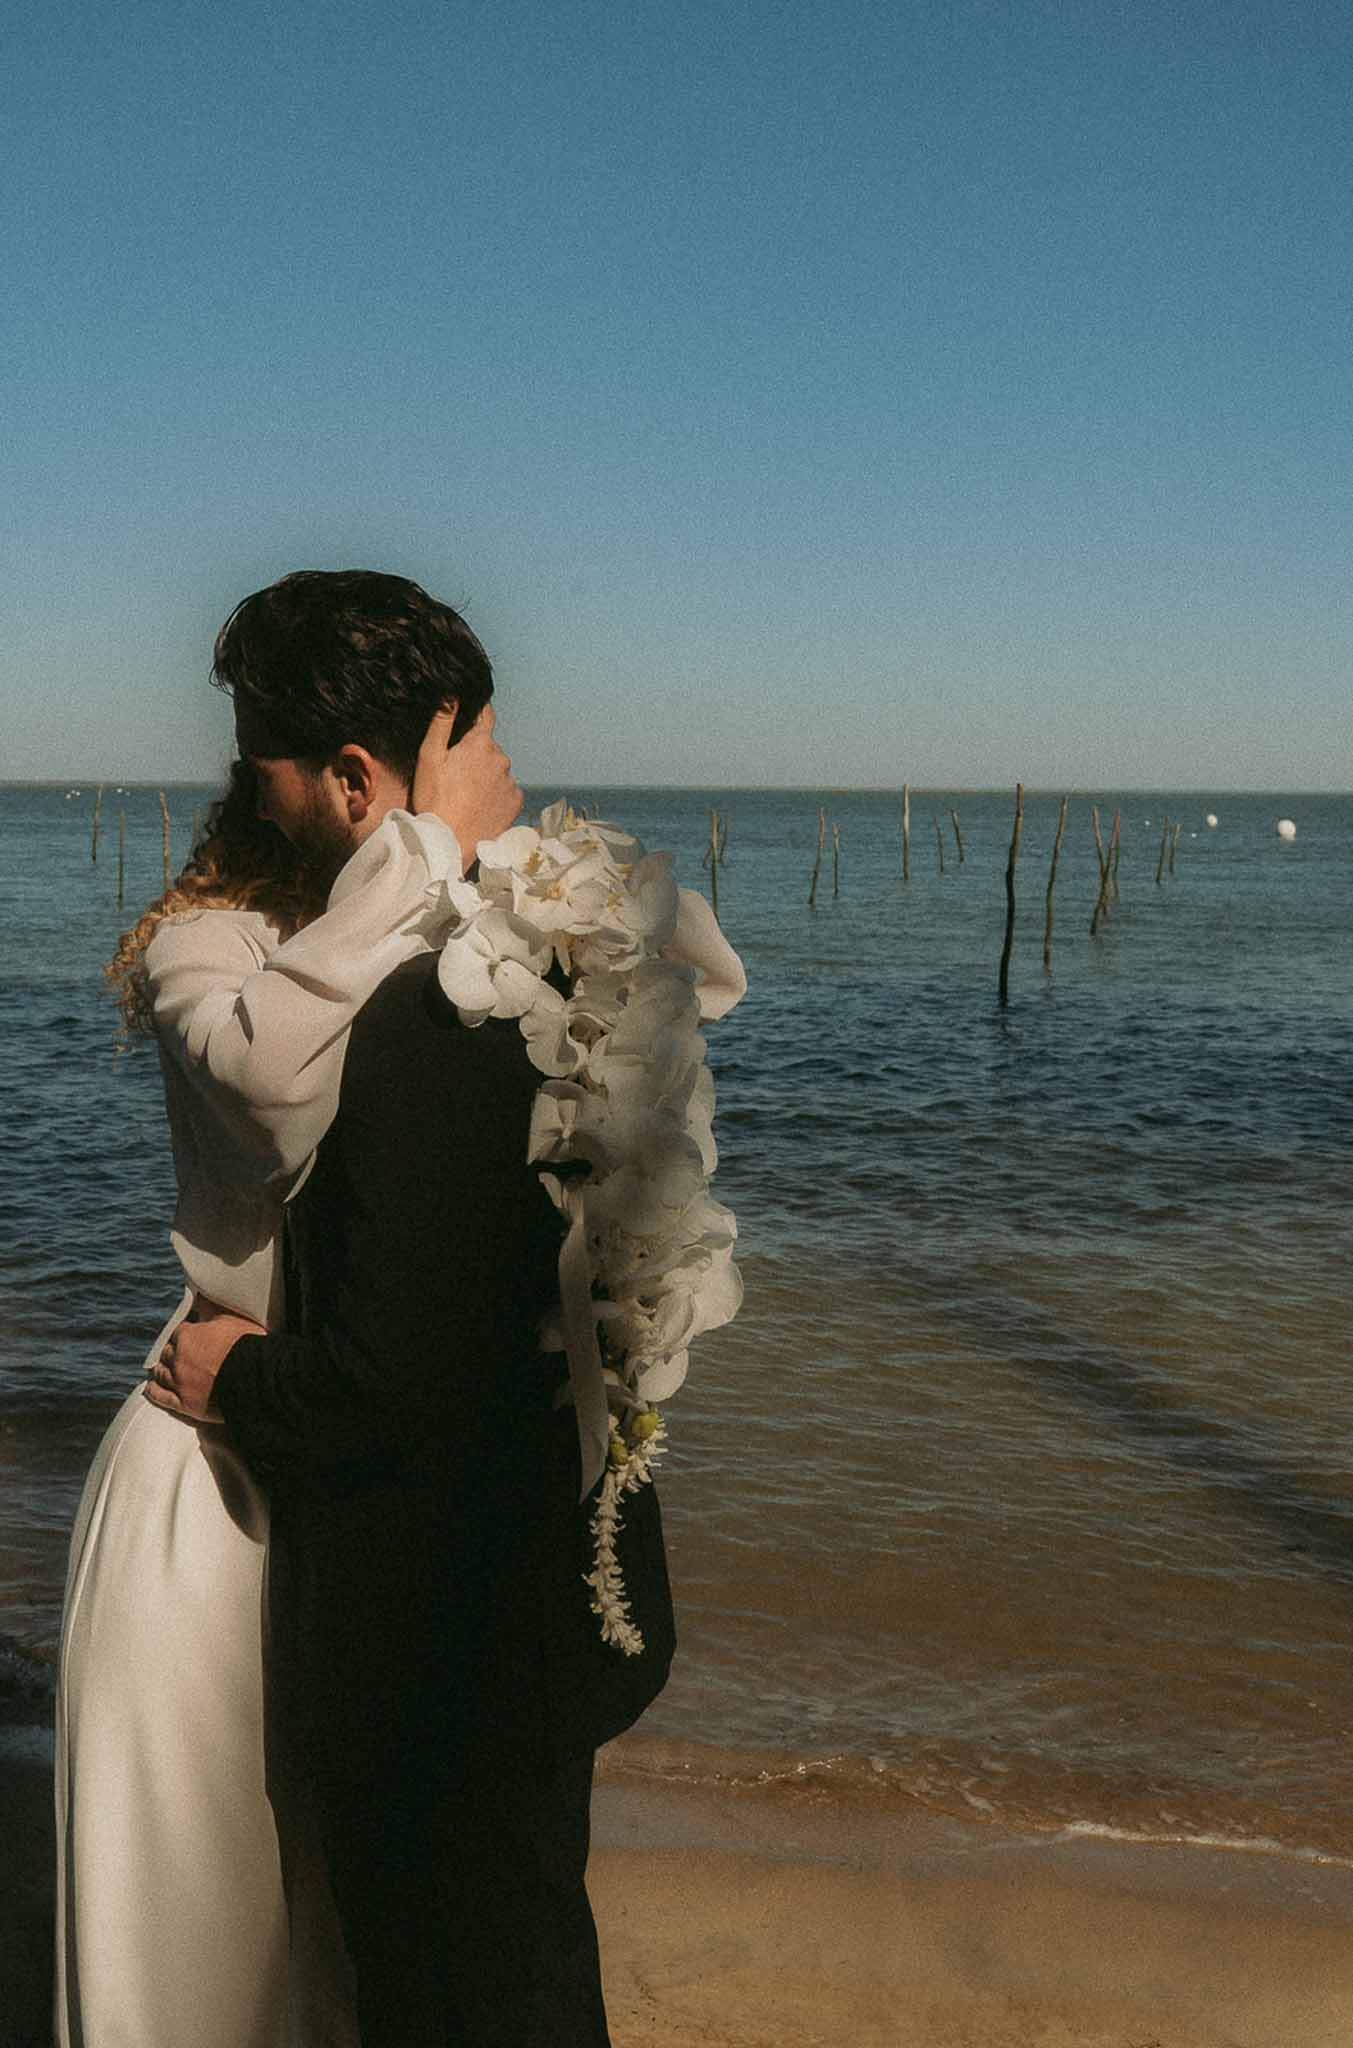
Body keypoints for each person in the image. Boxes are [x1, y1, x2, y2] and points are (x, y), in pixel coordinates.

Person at [106, 570, 746, 2046]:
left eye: (258, 759)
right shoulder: (574, 955)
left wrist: (234, 1382)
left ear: (343, 778)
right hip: (548, 1575)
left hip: (432, 1626)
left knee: (447, 1983)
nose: (236, 789)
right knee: (521, 1957)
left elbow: (388, 1381)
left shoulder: (422, 1013)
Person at [58, 656, 522, 2045]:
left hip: (371, 1446)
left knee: (349, 1904)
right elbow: (271, 1087)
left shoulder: (471, 921)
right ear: (374, 782)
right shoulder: (208, 944)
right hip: (214, 1458)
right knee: (198, 1903)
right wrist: (425, 851)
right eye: (458, 768)